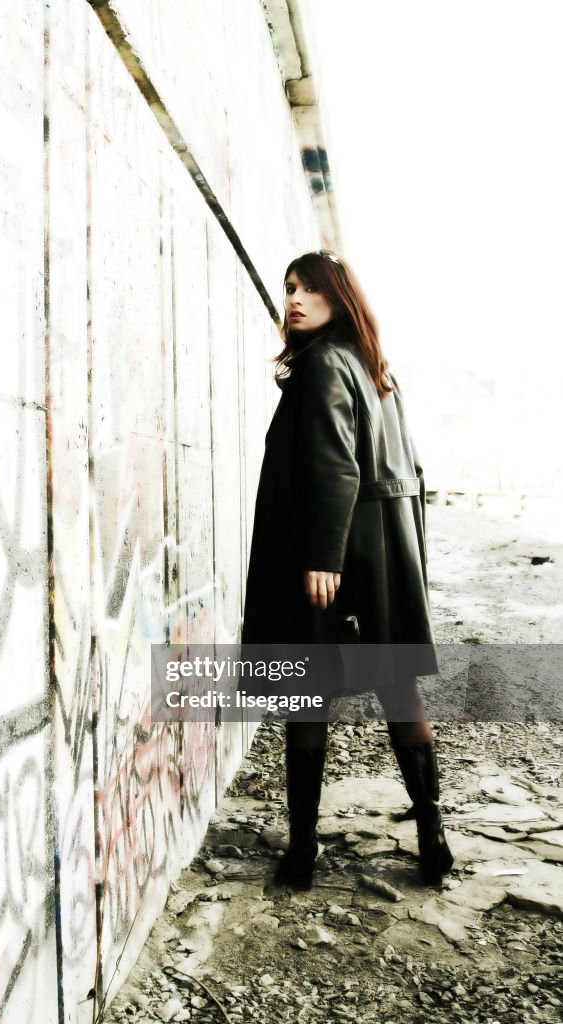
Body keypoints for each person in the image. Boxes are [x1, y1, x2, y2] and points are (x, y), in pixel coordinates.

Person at [241, 250, 454, 890]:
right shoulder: (375, 369)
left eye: (309, 288)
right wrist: (407, 554)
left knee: (309, 690)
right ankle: (433, 837)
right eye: (288, 289)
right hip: (385, 551)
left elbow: (335, 465)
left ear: (339, 295)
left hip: (336, 554)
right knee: (396, 685)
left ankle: (303, 849)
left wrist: (321, 557)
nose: (294, 298)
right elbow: (410, 474)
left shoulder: (326, 365)